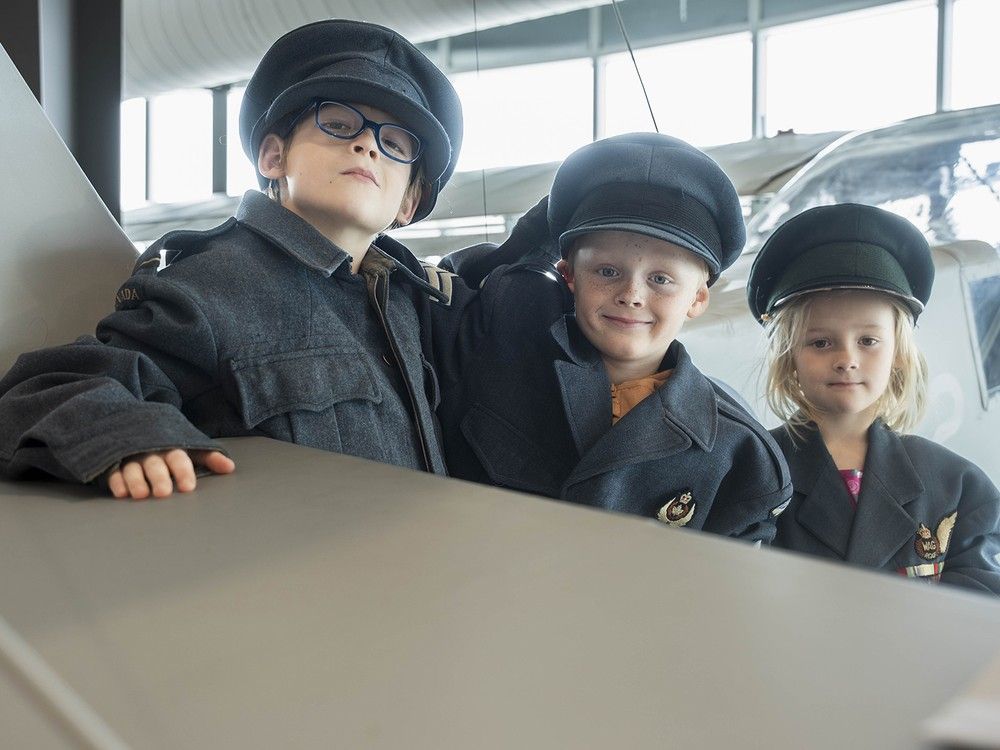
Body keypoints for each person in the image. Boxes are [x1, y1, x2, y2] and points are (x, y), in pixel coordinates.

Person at [0, 20, 463, 499]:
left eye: (395, 146)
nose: (367, 145)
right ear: (272, 157)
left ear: (407, 205)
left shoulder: (408, 306)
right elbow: (52, 386)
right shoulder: (211, 284)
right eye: (339, 125)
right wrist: (131, 438)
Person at [433, 133, 791, 542]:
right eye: (607, 271)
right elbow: (448, 299)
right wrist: (520, 248)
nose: (631, 295)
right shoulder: (499, 361)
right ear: (568, 275)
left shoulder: (738, 452)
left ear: (698, 297)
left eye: (661, 279)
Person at [747, 203, 1000, 593]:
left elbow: (979, 605)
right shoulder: (752, 473)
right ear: (789, 357)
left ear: (898, 355)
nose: (847, 359)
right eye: (820, 342)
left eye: (868, 341)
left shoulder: (958, 486)